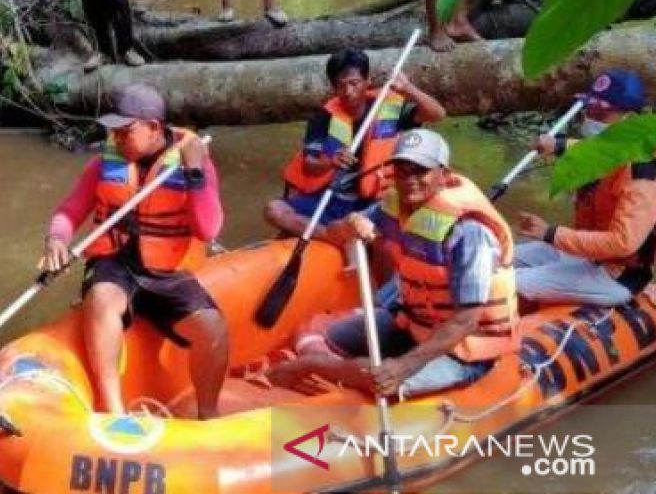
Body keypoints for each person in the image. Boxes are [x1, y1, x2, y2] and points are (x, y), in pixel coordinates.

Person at [269, 129, 520, 399]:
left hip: (467, 350)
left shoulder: (470, 232)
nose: (409, 180)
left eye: (420, 171)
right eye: (402, 170)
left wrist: (403, 367)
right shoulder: (393, 206)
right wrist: (349, 224)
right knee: (328, 336)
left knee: (383, 383)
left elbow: (467, 320)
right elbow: (334, 233)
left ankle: (314, 366)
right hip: (415, 325)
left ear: (443, 174)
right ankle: (344, 368)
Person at [38, 84, 228, 419]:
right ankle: (113, 411)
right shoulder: (104, 164)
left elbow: (208, 229)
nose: (117, 140)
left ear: (154, 127)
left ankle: (208, 415)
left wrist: (195, 172)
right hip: (115, 263)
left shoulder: (194, 164)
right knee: (101, 298)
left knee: (213, 328)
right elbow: (69, 211)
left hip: (167, 271)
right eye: (114, 132)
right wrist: (56, 239)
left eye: (125, 132)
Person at [265, 49, 446, 237]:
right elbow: (310, 166)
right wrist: (331, 162)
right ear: (333, 87)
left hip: (376, 200)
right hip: (335, 198)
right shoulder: (323, 118)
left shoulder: (388, 108)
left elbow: (437, 114)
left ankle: (353, 234)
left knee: (397, 213)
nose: (348, 92)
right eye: (341, 85)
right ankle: (330, 235)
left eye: (354, 83)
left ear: (367, 82)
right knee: (273, 210)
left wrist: (408, 88)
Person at [514, 70, 656, 306]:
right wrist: (558, 145)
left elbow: (623, 243)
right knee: (499, 258)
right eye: (589, 110)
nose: (590, 118)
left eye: (600, 113)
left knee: (508, 282)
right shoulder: (606, 150)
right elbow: (595, 148)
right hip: (585, 254)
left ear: (629, 120)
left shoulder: (642, 175)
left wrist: (551, 233)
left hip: (616, 275)